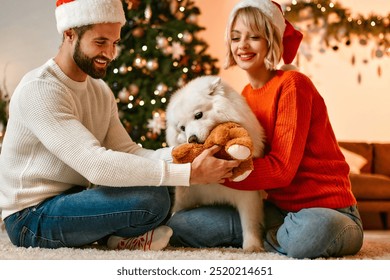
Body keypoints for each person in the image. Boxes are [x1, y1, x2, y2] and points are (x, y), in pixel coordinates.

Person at [0, 0, 239, 251]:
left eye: (114, 43)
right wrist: (189, 174)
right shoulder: (40, 89)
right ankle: (120, 235)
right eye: (100, 42)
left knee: (163, 189)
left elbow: (129, 151)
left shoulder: (99, 90)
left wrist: (191, 155)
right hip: (30, 217)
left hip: (73, 199)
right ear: (70, 34)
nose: (110, 53)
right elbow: (95, 164)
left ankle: (118, 239)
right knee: (152, 197)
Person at [167, 0, 364, 259]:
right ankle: (275, 234)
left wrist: (217, 172)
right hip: (277, 210)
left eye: (254, 37)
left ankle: (275, 237)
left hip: (329, 211)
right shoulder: (245, 95)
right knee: (181, 226)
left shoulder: (294, 85)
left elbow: (281, 171)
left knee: (312, 233)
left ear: (272, 40)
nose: (242, 46)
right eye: (236, 37)